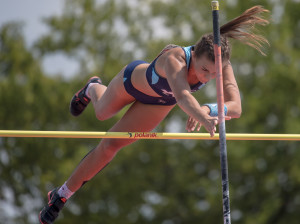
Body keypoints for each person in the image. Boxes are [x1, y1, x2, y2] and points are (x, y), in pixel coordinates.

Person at [39, 5, 269, 224]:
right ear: (195, 55)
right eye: (204, 70)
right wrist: (200, 114)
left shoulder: (221, 63)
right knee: (102, 112)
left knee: (109, 146)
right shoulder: (176, 59)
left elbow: (236, 106)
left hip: (159, 104)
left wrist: (210, 109)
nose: (207, 77)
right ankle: (92, 87)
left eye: (214, 74)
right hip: (132, 83)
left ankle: (60, 195)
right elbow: (182, 97)